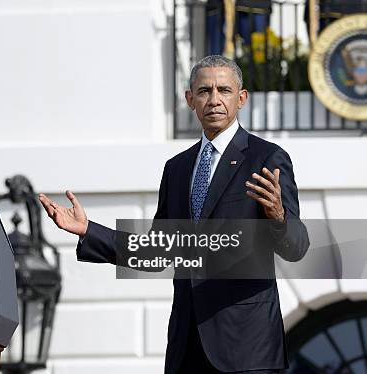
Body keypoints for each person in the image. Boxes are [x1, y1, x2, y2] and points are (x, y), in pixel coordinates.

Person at [39, 55, 309, 373]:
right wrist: (88, 231)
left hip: (246, 346)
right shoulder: (178, 169)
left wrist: (278, 216)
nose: (214, 99)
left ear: (241, 98)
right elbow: (158, 252)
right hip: (187, 344)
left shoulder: (267, 158)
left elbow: (298, 246)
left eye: (224, 90)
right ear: (190, 99)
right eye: (205, 91)